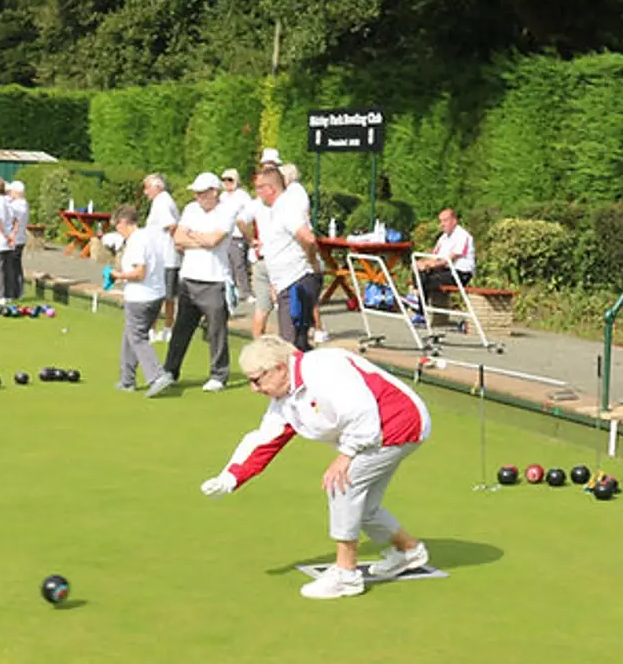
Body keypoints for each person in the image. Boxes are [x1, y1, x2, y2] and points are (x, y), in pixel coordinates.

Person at [198, 335, 433, 600]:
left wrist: (345, 456)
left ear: (279, 368)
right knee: (363, 506)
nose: (253, 388)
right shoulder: (285, 396)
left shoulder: (323, 369)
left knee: (343, 484)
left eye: (256, 380)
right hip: (375, 431)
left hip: (398, 423)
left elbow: (362, 412)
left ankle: (346, 575)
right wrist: (231, 476)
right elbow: (266, 439)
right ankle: (408, 551)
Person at [162, 172, 238, 391]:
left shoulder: (227, 211)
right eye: (196, 193)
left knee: (217, 330)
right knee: (181, 329)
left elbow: (214, 240)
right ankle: (170, 370)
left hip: (214, 280)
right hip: (188, 278)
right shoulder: (190, 209)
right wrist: (199, 238)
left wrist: (192, 236)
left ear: (215, 192)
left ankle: (218, 375)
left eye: (202, 193)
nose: (198, 197)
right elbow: (178, 239)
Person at [251, 167, 325, 349]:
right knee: (297, 342)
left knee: (290, 344)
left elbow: (307, 238)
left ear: (271, 189)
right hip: (286, 282)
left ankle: (299, 376)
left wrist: (312, 261)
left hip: (297, 281)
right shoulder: (276, 209)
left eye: (260, 188)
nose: (257, 193)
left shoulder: (287, 207)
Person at [110, 205, 174, 398]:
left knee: (137, 337)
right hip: (155, 294)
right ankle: (127, 380)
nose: (116, 230)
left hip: (141, 297)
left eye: (116, 226)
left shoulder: (137, 241)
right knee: (130, 335)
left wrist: (119, 275)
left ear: (124, 222)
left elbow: (140, 272)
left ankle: (157, 376)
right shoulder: (149, 236)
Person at [413, 208, 476, 321]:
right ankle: (417, 300)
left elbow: (449, 259)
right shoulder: (443, 238)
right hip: (446, 270)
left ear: (454, 221)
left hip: (460, 273)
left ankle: (418, 305)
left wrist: (429, 265)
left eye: (445, 221)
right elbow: (434, 257)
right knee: (419, 269)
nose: (442, 224)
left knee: (425, 279)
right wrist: (422, 263)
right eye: (441, 221)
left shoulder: (462, 236)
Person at [142, 173, 181, 340]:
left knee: (161, 294)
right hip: (164, 257)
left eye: (147, 187)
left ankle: (160, 330)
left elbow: (172, 225)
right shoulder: (162, 200)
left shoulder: (162, 201)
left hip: (165, 258)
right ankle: (163, 329)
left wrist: (177, 244)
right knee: (166, 295)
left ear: (158, 187)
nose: (145, 192)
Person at [219, 168, 256, 304]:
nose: (227, 183)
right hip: (225, 235)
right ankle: (230, 291)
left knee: (239, 265)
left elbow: (249, 214)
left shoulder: (242, 196)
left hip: (238, 235)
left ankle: (246, 292)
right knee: (227, 266)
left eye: (230, 180)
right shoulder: (222, 197)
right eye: (224, 180)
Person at [5, 180, 31, 301]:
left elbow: (8, 211)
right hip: (19, 238)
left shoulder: (18, 205)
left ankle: (13, 292)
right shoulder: (22, 203)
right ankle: (17, 291)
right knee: (15, 266)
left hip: (15, 239)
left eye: (11, 191)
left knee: (12, 267)